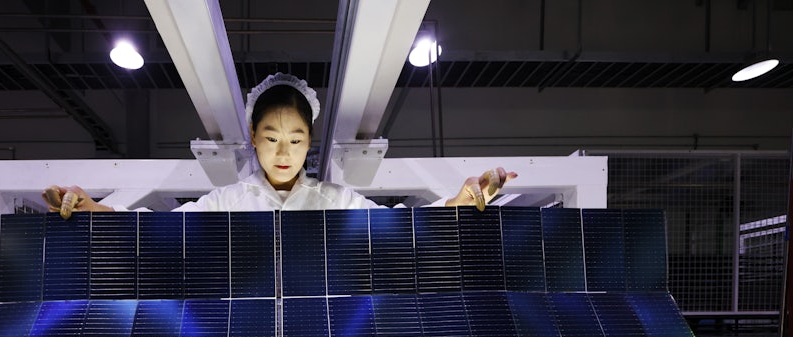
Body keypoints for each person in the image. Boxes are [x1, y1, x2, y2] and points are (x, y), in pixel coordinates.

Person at [43, 72, 515, 217]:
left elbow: (399, 228)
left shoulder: (335, 202)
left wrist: (464, 198)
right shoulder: (227, 202)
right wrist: (90, 210)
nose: (284, 153)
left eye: (296, 139)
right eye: (271, 139)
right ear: (253, 137)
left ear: (310, 142)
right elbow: (159, 233)